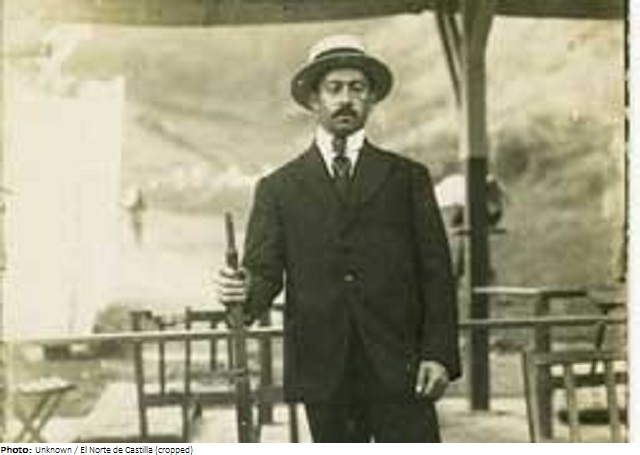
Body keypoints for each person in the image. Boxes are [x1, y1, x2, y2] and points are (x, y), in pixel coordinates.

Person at [218, 34, 460, 443]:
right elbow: (263, 274)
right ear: (314, 99)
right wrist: (238, 290)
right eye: (334, 88)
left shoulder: (407, 179)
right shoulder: (278, 189)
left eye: (357, 88)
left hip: (401, 367)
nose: (346, 99)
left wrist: (438, 355)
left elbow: (436, 275)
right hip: (326, 372)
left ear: (372, 99)